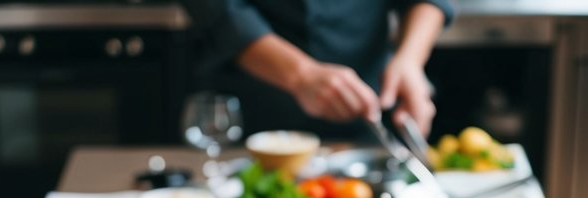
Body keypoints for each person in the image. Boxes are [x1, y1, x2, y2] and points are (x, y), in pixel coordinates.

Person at [182, 1, 455, 140]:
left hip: (371, 108)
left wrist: (409, 60)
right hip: (251, 110)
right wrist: (301, 75)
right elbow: (221, 10)